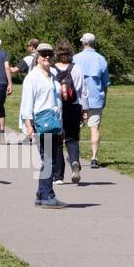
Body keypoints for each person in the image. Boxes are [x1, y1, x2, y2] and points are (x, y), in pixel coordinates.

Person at [20, 43, 66, 208]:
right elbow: (27, 102)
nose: (47, 57)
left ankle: (42, 194)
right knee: (48, 160)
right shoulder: (32, 77)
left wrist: (61, 124)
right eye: (43, 54)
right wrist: (28, 124)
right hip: (41, 122)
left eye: (49, 54)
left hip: (54, 122)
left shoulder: (53, 74)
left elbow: (57, 99)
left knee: (49, 159)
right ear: (37, 57)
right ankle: (47, 195)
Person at [52, 39, 87, 184]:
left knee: (58, 140)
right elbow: (82, 91)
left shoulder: (52, 69)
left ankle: (58, 176)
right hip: (74, 106)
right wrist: (85, 110)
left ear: (57, 53)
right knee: (72, 138)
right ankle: (74, 162)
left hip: (58, 107)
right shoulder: (76, 68)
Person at [74, 32, 111, 168]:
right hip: (96, 97)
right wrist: (104, 98)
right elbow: (105, 83)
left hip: (78, 98)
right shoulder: (101, 59)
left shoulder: (75, 58)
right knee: (94, 128)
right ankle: (94, 157)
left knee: (76, 128)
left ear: (83, 42)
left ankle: (75, 156)